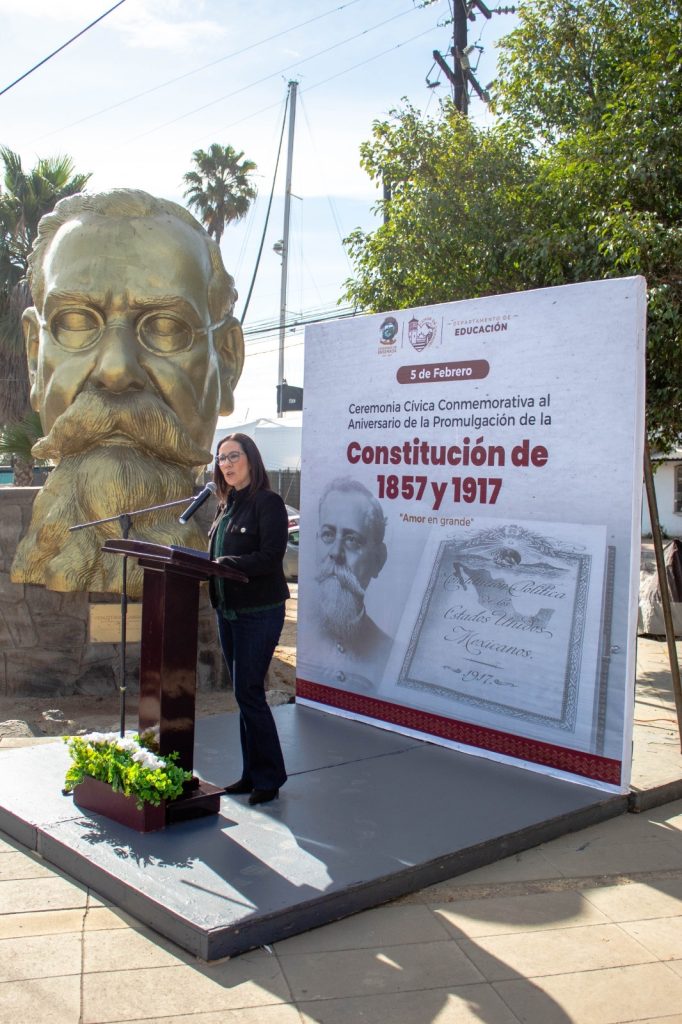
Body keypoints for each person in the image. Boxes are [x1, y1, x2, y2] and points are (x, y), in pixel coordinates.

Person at [11, 188, 244, 596]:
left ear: (226, 362)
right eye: (76, 323)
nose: (116, 370)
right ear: (35, 356)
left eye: (166, 327)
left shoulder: (246, 517)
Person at [208, 433, 289, 806]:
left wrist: (226, 564)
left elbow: (271, 557)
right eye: (221, 458)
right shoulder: (226, 505)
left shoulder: (267, 503)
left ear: (251, 459)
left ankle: (270, 777)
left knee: (249, 692)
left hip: (259, 612)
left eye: (233, 456)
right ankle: (250, 774)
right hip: (229, 611)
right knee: (243, 695)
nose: (226, 464)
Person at [307, 476, 392, 693]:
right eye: (327, 535)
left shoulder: (389, 654)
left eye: (352, 539)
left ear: (378, 560)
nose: (336, 553)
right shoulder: (303, 634)